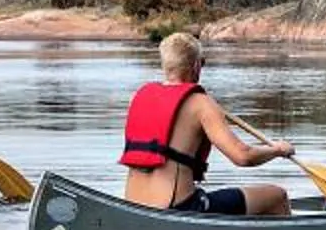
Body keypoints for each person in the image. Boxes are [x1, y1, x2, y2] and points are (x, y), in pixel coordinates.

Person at [117, 31, 296, 217]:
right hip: (179, 208)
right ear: (195, 65)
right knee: (277, 196)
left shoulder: (141, 96)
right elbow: (243, 156)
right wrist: (277, 150)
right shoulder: (201, 104)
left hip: (135, 208)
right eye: (202, 62)